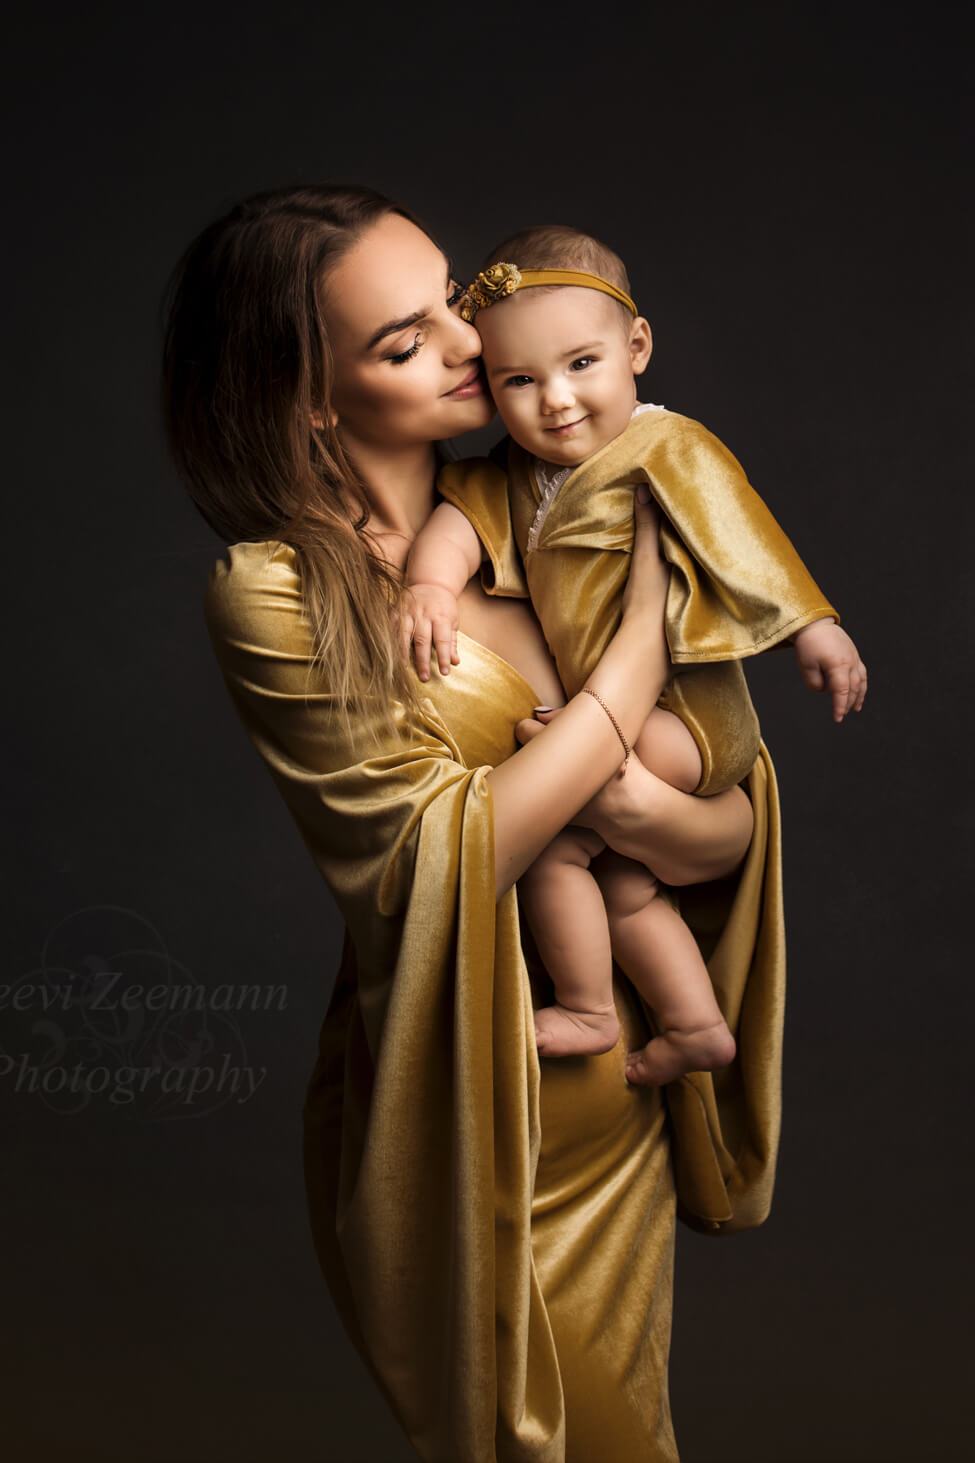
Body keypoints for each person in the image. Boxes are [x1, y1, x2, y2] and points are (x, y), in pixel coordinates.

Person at [162, 184, 815, 1462]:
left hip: (614, 1076)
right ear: (308, 394)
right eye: (404, 342)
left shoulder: (549, 492)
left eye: (453, 301)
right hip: (467, 1101)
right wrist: (632, 655)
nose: (474, 345)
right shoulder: (274, 592)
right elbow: (432, 862)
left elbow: (729, 828)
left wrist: (634, 801)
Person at [403, 224, 866, 1086]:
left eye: (582, 364)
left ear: (637, 346)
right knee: (623, 886)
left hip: (687, 720)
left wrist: (811, 624)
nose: (556, 400)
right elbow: (459, 520)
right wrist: (430, 585)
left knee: (550, 841)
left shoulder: (662, 446)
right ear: (489, 383)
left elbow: (739, 532)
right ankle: (694, 1025)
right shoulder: (515, 470)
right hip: (637, 713)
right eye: (518, 380)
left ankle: (586, 1006)